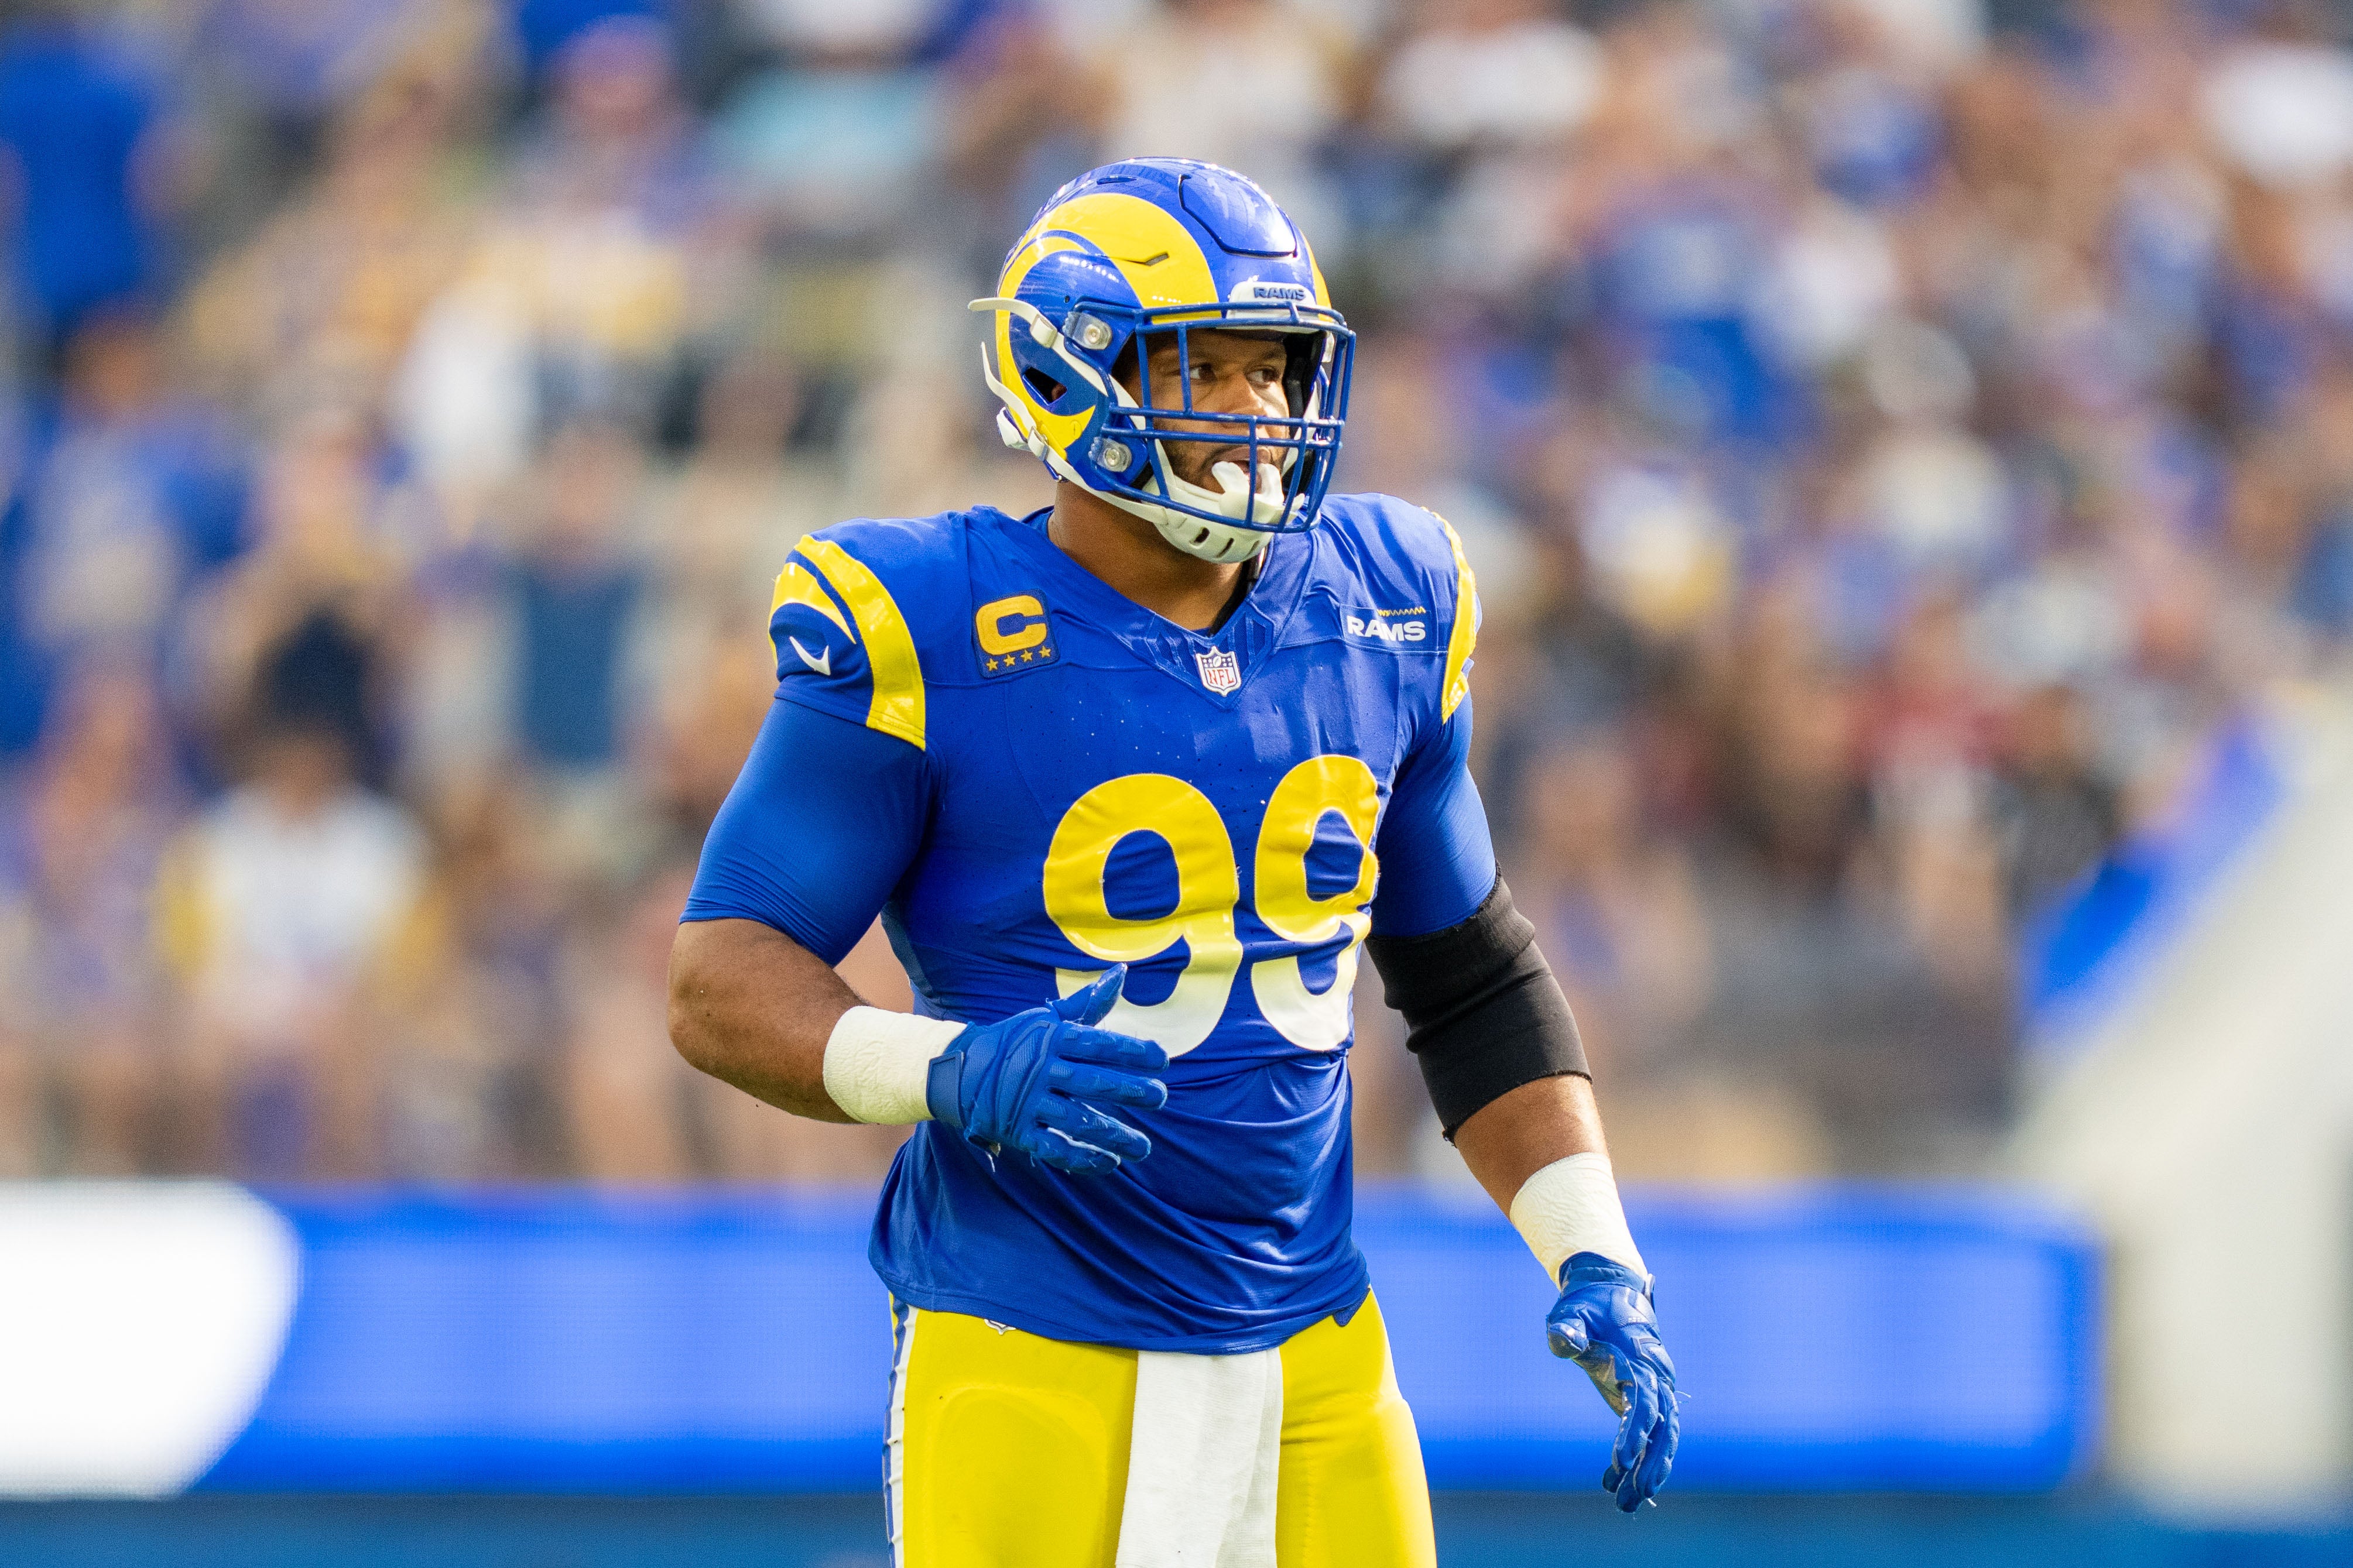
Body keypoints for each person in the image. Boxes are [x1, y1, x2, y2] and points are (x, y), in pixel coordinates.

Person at [669, 159, 1676, 1565]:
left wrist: (1593, 1249)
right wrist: (945, 1068)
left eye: (1277, 370)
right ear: (1069, 379)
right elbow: (720, 980)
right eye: (1208, 367)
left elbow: (1469, 977)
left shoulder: (1387, 600)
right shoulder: (923, 620)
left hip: (1319, 1350)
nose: (1260, 414)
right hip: (1036, 1336)